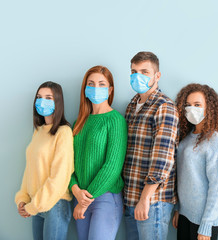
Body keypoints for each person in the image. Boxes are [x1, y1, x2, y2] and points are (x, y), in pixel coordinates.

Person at [123, 51, 179, 240]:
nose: (138, 76)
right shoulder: (132, 105)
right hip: (130, 196)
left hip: (153, 200)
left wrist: (145, 198)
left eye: (144, 72)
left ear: (157, 76)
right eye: (134, 71)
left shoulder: (164, 106)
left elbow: (163, 157)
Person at [69, 65, 127, 240]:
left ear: (110, 90)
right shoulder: (78, 123)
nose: (96, 88)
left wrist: (85, 201)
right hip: (80, 196)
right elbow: (68, 164)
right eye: (91, 83)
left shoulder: (115, 120)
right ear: (85, 89)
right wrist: (76, 191)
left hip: (105, 198)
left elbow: (112, 167)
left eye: (102, 84)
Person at [15, 81, 74, 240]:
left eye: (48, 97)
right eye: (39, 97)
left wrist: (33, 206)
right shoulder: (39, 131)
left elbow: (60, 177)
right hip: (35, 205)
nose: (42, 101)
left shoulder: (64, 132)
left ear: (58, 102)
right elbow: (30, 170)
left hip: (55, 205)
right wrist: (23, 198)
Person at [172, 84, 218, 240]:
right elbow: (182, 178)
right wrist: (178, 209)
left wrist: (206, 225)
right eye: (188, 105)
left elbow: (217, 187)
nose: (192, 109)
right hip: (185, 215)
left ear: (209, 108)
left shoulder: (214, 139)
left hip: (204, 220)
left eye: (197, 105)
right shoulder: (187, 138)